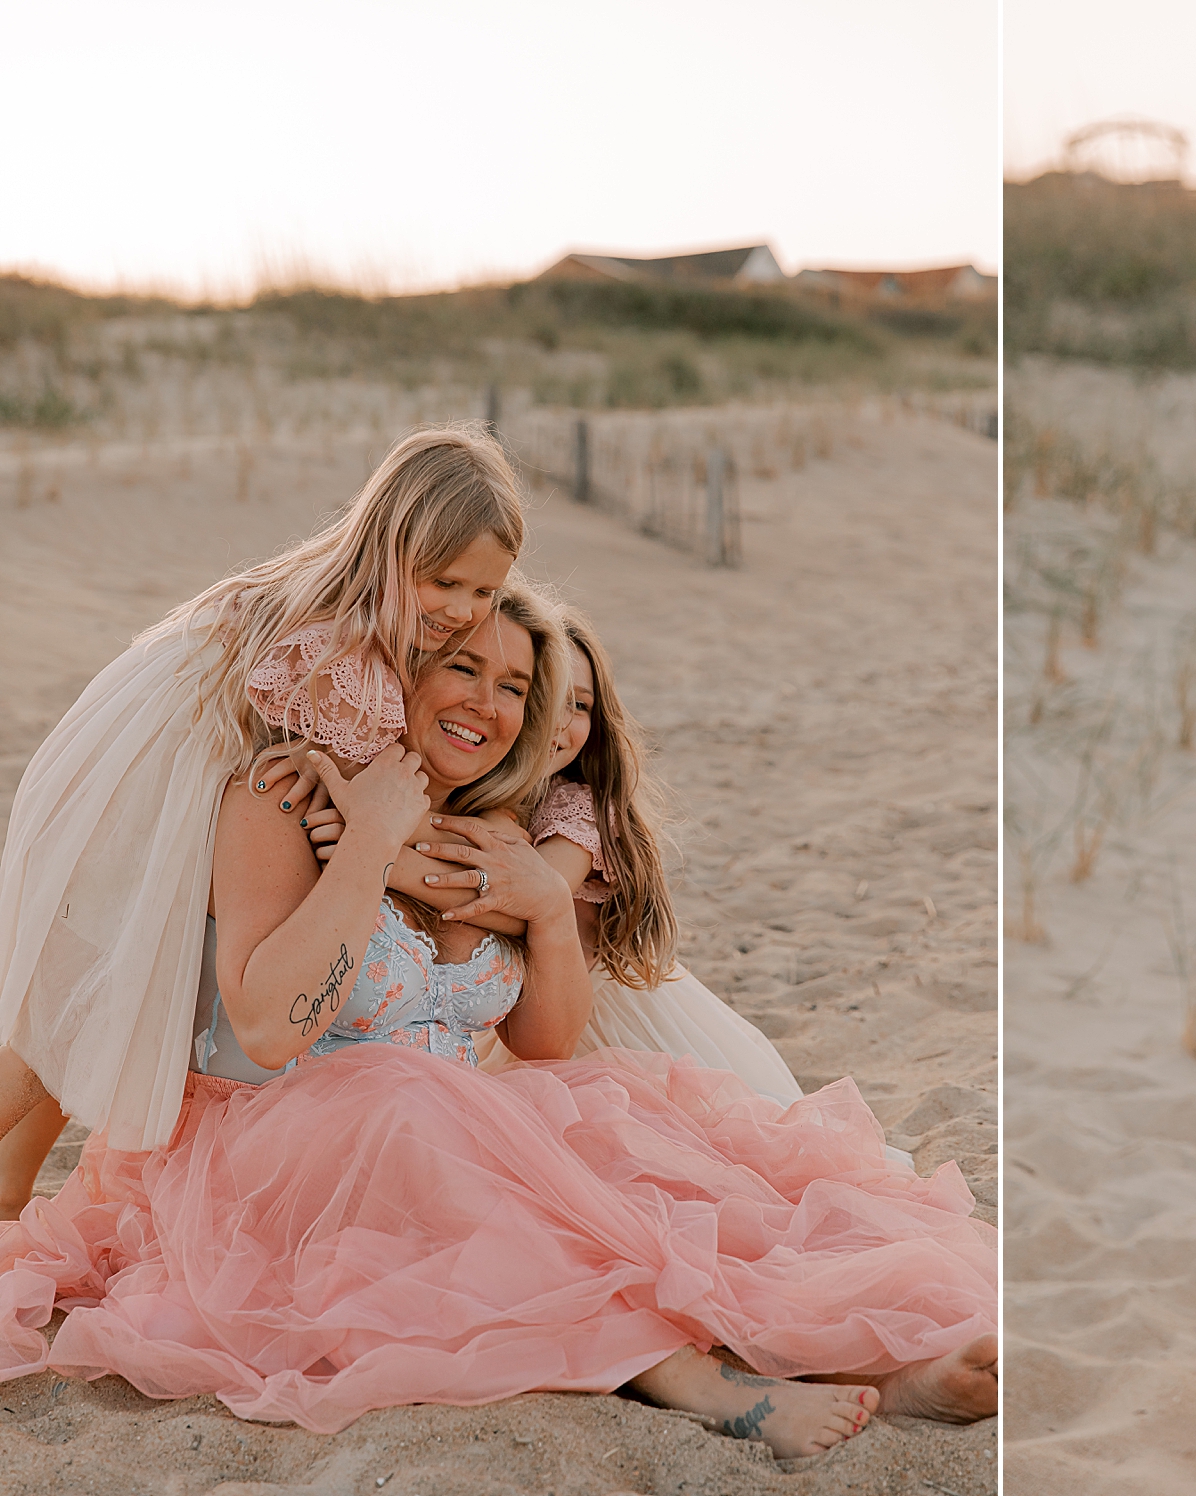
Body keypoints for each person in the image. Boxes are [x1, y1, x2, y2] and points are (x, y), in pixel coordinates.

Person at [0, 586, 997, 1453]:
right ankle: (686, 1375)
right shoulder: (288, 795)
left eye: (515, 684)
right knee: (412, 1109)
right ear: (409, 671)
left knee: (627, 1152)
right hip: (273, 1150)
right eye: (463, 666)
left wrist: (546, 907)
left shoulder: (511, 831)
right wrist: (369, 840)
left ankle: (838, 1362)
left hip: (429, 1138)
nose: (488, 699)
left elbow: (544, 1044)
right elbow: (258, 1024)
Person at [0, 423, 523, 1200]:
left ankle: (11, 1189)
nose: (461, 609)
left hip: (152, 791)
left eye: (484, 592)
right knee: (79, 997)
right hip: (147, 811)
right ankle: (11, 1183)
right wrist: (394, 841)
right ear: (391, 546)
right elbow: (349, 797)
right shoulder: (345, 651)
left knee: (78, 1000)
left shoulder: (336, 603)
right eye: (444, 582)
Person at [426, 604, 806, 1105]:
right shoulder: (499, 803)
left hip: (616, 1034)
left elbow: (534, 896)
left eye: (580, 706)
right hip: (537, 1021)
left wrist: (392, 854)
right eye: (548, 697)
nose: (562, 724)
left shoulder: (579, 806)